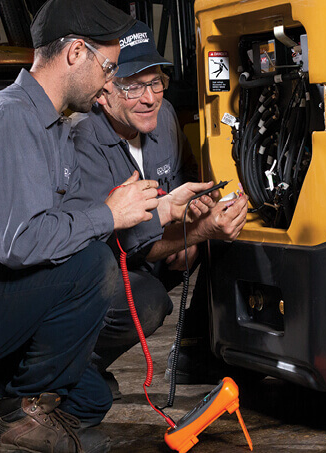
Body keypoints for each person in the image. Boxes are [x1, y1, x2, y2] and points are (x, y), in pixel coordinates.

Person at [0, 1, 185, 452]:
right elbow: (19, 243)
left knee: (92, 399)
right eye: (108, 68)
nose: (110, 82)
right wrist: (107, 215)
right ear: (75, 53)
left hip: (3, 299)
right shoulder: (10, 117)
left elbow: (59, 226)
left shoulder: (56, 126)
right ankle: (19, 413)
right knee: (91, 266)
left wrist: (148, 213)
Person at [68, 20, 248, 393]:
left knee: (226, 239)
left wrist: (196, 230)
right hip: (98, 268)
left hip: (151, 254)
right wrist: (196, 232)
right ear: (104, 92)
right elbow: (122, 245)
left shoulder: (161, 118)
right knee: (148, 304)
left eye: (155, 82)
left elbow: (182, 184)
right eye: (133, 86)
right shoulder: (84, 139)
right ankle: (74, 371)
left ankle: (200, 349)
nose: (149, 97)